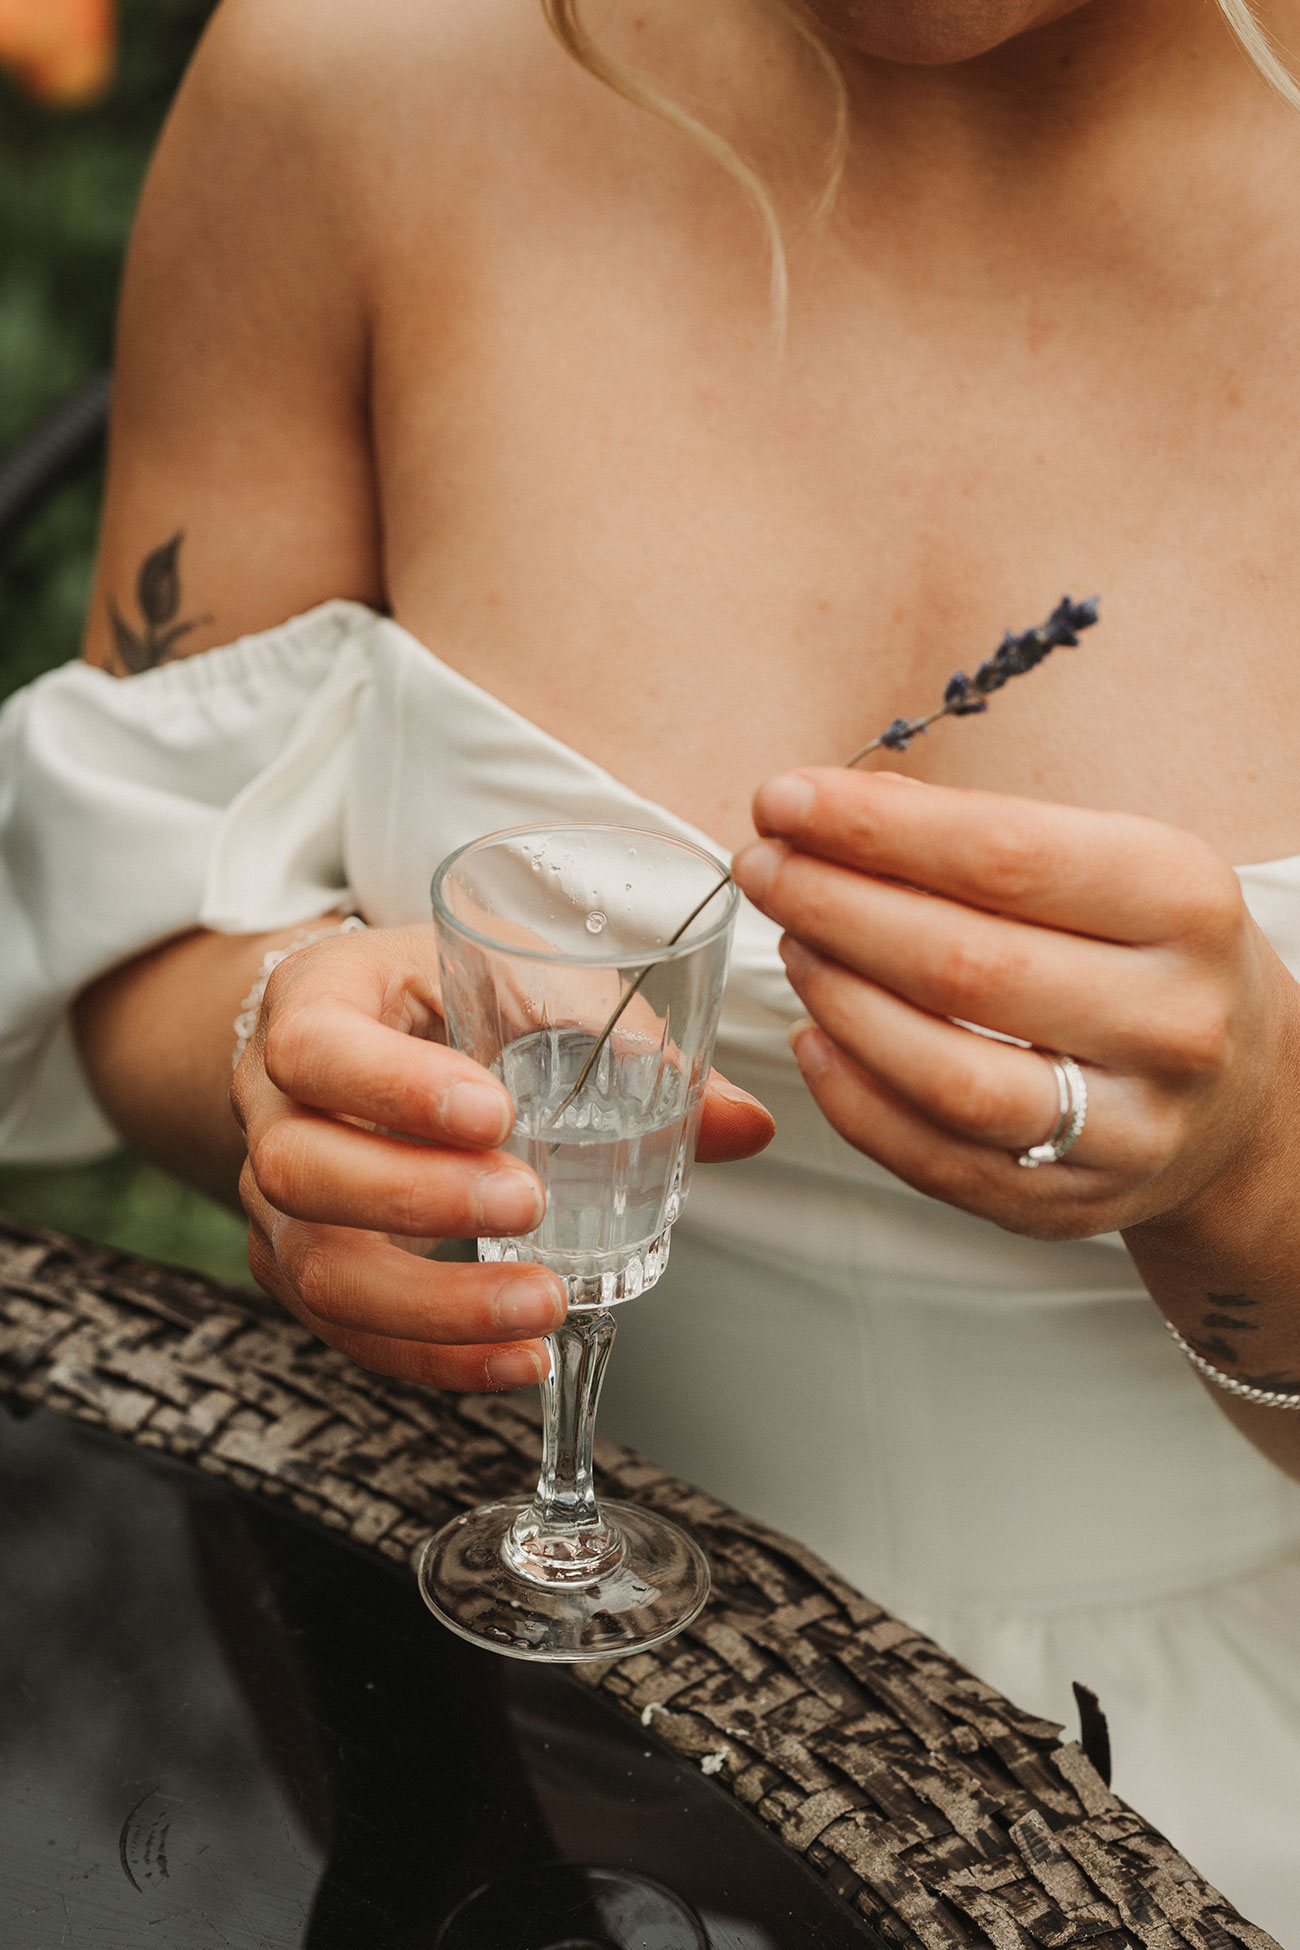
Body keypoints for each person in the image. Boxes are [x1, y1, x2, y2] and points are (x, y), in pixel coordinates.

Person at [3, 0, 1300, 1930]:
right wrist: (286, 1054)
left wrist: (1258, 1176)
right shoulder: (351, 78)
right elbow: (154, 907)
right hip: (484, 1739)